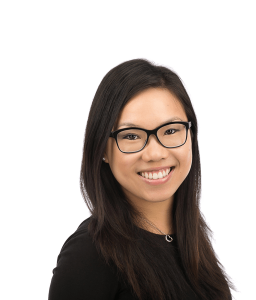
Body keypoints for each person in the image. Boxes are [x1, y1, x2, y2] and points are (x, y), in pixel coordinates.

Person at [48, 59, 234, 300]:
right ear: (103, 149)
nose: (155, 153)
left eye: (170, 131)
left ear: (191, 136)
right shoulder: (89, 254)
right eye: (132, 135)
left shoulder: (190, 237)